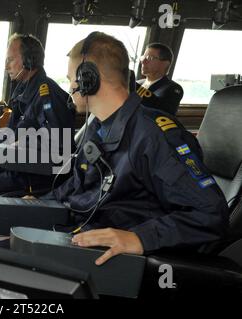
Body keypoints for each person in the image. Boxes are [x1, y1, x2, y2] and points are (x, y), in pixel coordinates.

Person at [48, 32, 228, 265]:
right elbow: (78, 186)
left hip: (125, 260)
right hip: (84, 234)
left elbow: (211, 214)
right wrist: (39, 203)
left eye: (71, 78)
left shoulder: (154, 136)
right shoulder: (97, 128)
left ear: (88, 79)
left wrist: (139, 238)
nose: (70, 86)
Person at [0, 33, 75, 197]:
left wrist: (24, 142)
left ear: (29, 60)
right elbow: (11, 134)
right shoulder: (22, 92)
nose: (6, 66)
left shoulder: (47, 95)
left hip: (37, 176)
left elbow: (60, 146)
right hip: (18, 167)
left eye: (10, 59)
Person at [136, 43, 184, 115]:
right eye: (143, 57)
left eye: (149, 58)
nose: (143, 61)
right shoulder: (138, 83)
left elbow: (160, 108)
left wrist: (133, 86)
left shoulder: (173, 89)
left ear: (165, 64)